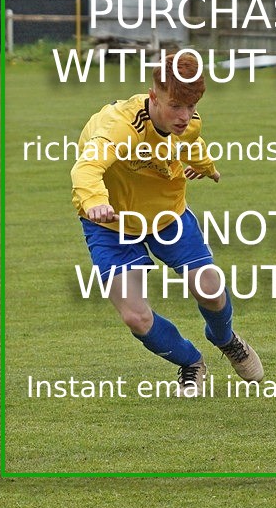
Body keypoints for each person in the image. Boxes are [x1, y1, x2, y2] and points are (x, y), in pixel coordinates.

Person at [70, 52, 263, 395]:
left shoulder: (188, 120)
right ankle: (190, 362)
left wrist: (207, 168)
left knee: (209, 289)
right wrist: (96, 201)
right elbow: (87, 168)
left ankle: (226, 339)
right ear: (153, 95)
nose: (184, 116)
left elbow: (191, 143)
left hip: (166, 214)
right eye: (176, 106)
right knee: (135, 317)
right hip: (111, 223)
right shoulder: (119, 127)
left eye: (191, 107)